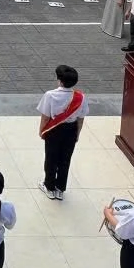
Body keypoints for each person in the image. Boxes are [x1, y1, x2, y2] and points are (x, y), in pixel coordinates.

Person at [37, 64, 88, 200]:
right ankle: (60, 188)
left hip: (54, 130)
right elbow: (81, 119)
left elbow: (46, 116)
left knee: (51, 158)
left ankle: (49, 186)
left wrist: (42, 130)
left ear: (59, 80)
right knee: (65, 160)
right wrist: (77, 134)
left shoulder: (50, 95)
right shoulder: (81, 97)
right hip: (71, 130)